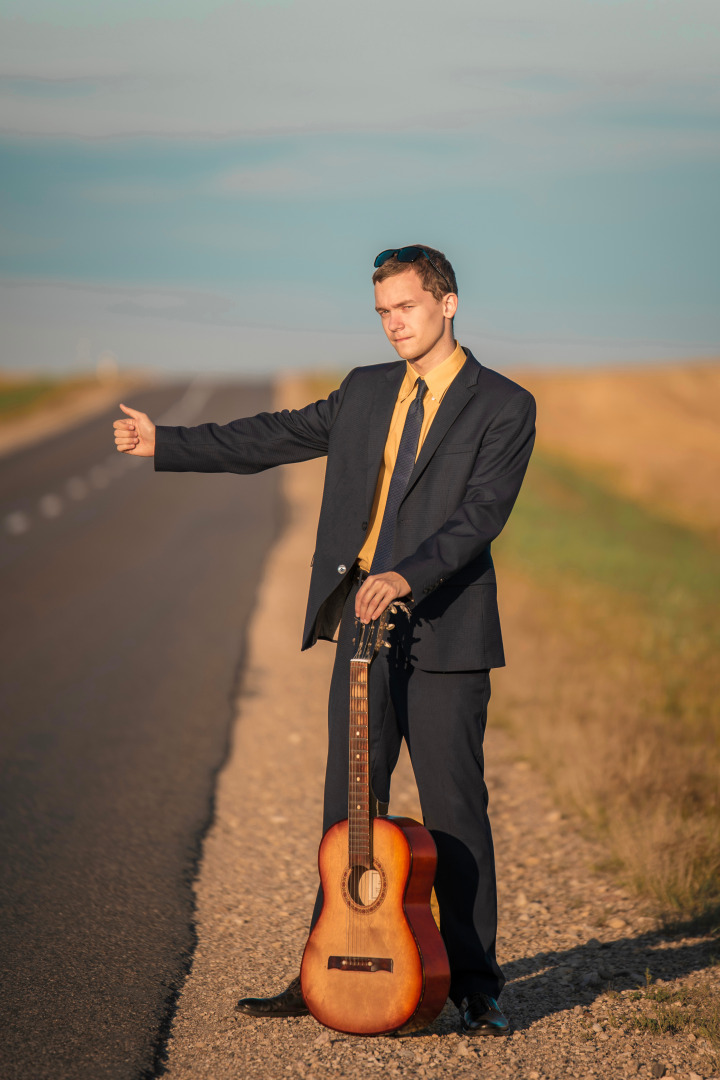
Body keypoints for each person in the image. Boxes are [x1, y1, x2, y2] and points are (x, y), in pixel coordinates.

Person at [113, 245, 536, 1036]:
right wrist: (164, 443)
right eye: (382, 312)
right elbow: (269, 436)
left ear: (448, 304)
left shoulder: (505, 406)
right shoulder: (366, 390)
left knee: (454, 813)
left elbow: (479, 517)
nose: (392, 325)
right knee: (347, 811)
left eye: (405, 307)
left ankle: (478, 987)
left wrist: (408, 575)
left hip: (446, 631)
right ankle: (322, 973)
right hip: (362, 631)